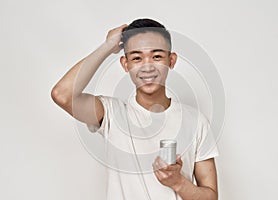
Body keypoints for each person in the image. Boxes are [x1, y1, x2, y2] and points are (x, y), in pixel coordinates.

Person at [51, 18, 219, 200]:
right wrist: (107, 46)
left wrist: (178, 182)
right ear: (125, 64)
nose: (147, 66)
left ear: (171, 60)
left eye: (157, 56)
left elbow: (211, 196)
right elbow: (62, 95)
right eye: (137, 58)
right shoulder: (111, 114)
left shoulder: (195, 121)